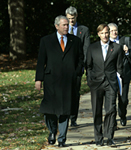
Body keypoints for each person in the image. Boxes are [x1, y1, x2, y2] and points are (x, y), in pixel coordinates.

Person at [35, 15, 83, 147]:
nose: (67, 27)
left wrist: (77, 72)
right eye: (64, 25)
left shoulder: (76, 41)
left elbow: (80, 59)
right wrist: (38, 79)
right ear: (57, 26)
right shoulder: (46, 40)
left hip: (68, 81)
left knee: (65, 110)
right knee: (49, 110)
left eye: (67, 25)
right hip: (51, 80)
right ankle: (52, 132)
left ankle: (62, 138)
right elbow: (41, 61)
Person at [86, 24, 123, 147]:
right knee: (97, 111)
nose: (105, 35)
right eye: (102, 33)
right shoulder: (92, 48)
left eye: (107, 33)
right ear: (98, 34)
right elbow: (89, 66)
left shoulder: (116, 48)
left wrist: (119, 84)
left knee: (111, 110)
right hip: (96, 83)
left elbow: (119, 68)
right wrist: (90, 81)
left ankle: (109, 137)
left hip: (111, 83)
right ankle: (98, 137)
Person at [108, 23, 131, 127]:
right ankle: (112, 122)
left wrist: (127, 51)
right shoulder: (105, 43)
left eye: (115, 30)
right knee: (111, 100)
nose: (114, 33)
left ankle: (122, 115)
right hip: (110, 76)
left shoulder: (125, 40)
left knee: (123, 99)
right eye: (111, 31)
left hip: (124, 75)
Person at [65, 6, 90, 127]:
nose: (71, 20)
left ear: (76, 16)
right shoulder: (62, 29)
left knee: (75, 93)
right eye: (69, 18)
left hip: (77, 67)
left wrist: (82, 66)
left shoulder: (83, 30)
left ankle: (73, 118)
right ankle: (64, 116)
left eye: (73, 18)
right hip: (63, 67)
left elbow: (86, 49)